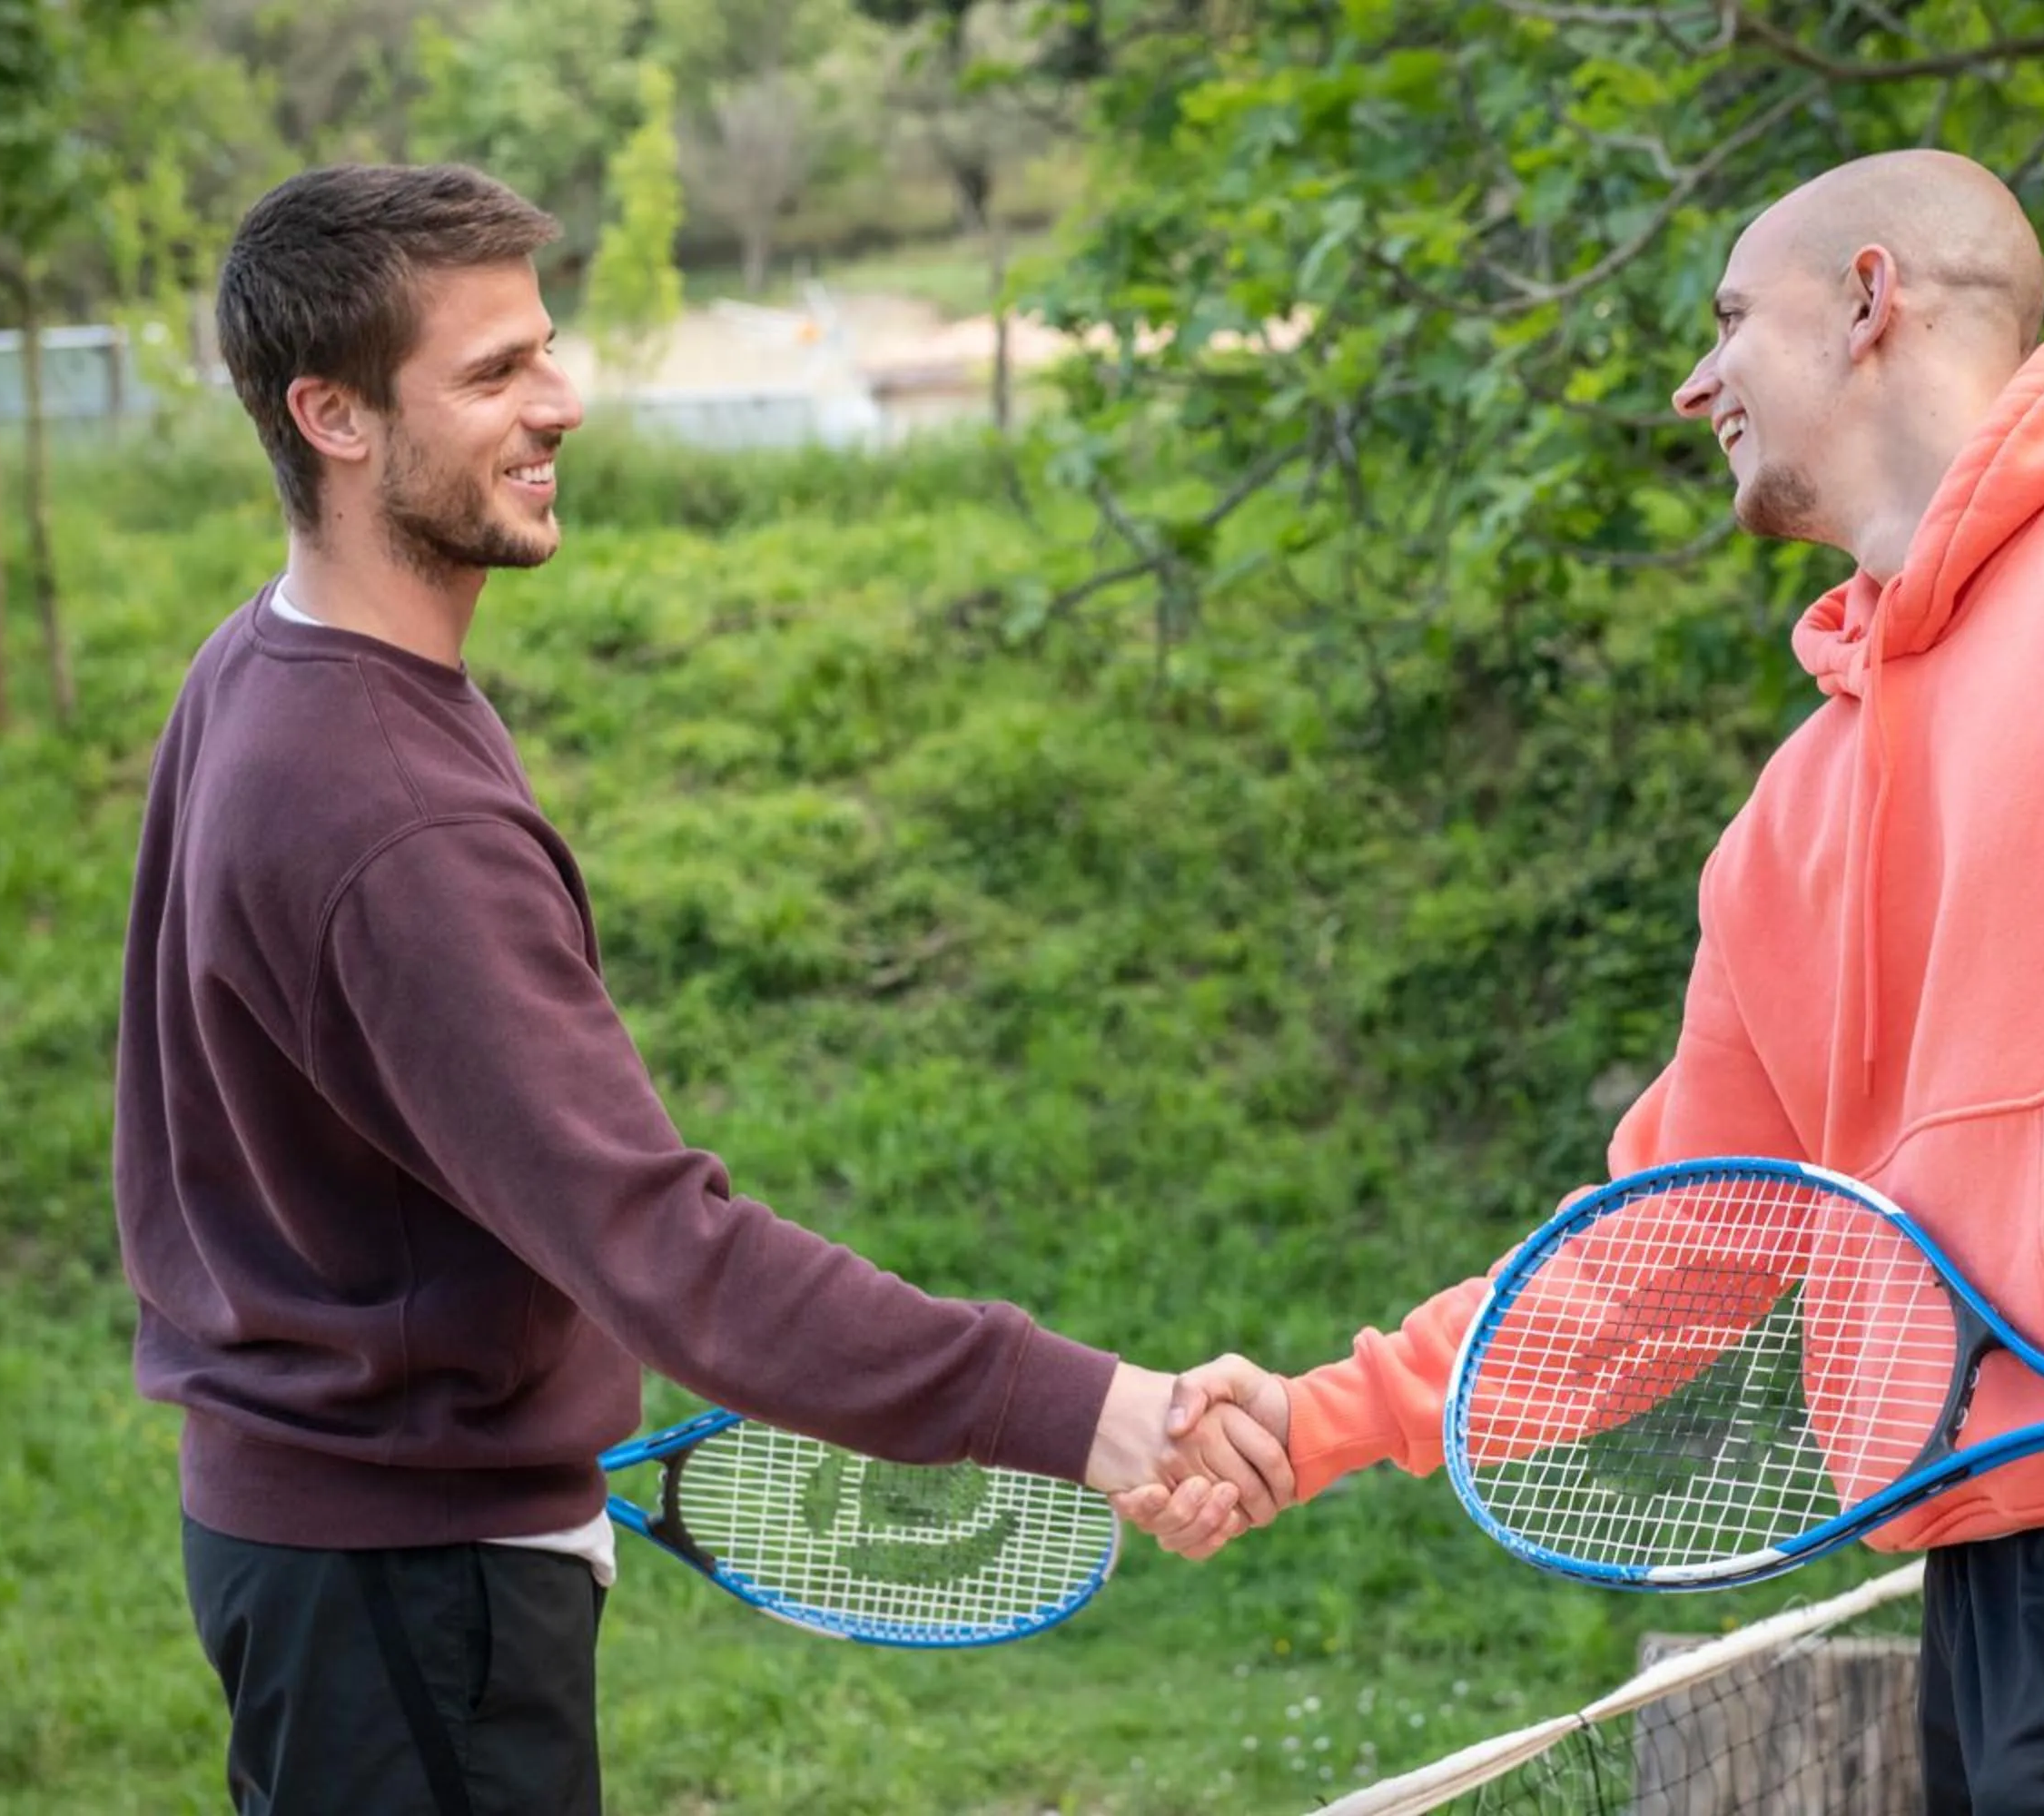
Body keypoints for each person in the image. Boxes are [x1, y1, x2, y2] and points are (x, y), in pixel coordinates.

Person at [1122, 148, 2044, 1812]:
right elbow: (1675, 1241)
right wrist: (1319, 1420)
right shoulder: (1796, 811)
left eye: (1732, 319)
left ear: (1871, 298)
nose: (1694, 383)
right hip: (1994, 1596)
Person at [113, 162, 1284, 1816]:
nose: (561, 401)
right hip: (408, 1587)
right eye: (494, 372)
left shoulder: (264, 661)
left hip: (327, 1539)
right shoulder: (399, 819)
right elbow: (669, 1256)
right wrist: (1094, 1409)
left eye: (545, 346)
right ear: (335, 416)